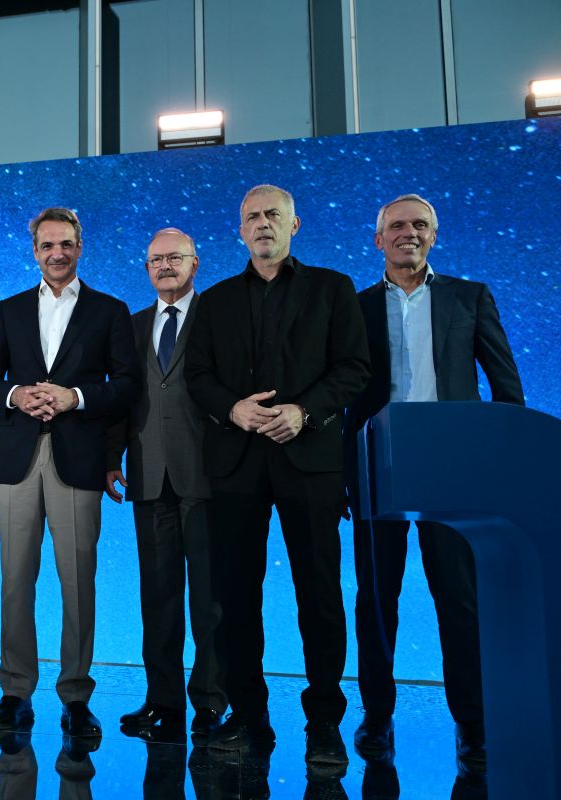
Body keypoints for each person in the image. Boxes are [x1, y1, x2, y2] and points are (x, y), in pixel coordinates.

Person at [184, 185, 370, 767]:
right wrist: (232, 409)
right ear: (240, 230)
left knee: (320, 594)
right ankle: (249, 716)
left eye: (273, 215)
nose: (262, 224)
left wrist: (304, 412)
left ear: (295, 224)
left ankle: (324, 723)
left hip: (308, 458)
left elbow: (354, 368)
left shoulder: (333, 288)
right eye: (252, 217)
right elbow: (198, 375)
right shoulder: (214, 300)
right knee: (236, 598)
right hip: (236, 464)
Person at [346, 194, 524, 768]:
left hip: (452, 469)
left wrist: (498, 464)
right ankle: (377, 717)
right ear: (378, 239)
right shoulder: (354, 307)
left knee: (459, 599)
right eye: (396, 226)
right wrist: (344, 475)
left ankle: (473, 723)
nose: (409, 233)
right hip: (378, 467)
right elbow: (342, 394)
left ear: (434, 235)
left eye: (420, 225)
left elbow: (506, 387)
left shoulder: (469, 297)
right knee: (376, 599)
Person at [0, 207, 140, 741]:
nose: (57, 253)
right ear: (35, 251)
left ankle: (75, 696)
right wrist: (16, 395)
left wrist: (76, 397)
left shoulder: (109, 310)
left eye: (66, 243)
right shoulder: (9, 309)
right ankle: (15, 691)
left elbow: (127, 386)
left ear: (80, 246)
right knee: (15, 581)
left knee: (78, 581)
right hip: (17, 460)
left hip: (79, 459)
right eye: (47, 245)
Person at [106, 227, 226, 744]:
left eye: (175, 258)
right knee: (157, 596)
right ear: (146, 268)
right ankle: (163, 700)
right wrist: (112, 456)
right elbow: (123, 396)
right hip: (148, 475)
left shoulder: (217, 317)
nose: (165, 266)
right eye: (156, 259)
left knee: (211, 599)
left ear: (195, 264)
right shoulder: (132, 326)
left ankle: (211, 700)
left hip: (207, 475)